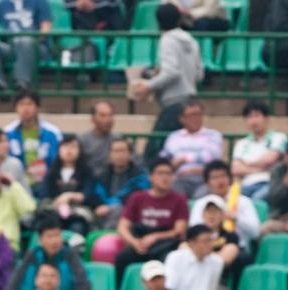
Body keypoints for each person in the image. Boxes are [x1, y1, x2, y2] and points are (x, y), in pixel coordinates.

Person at [133, 4, 204, 168]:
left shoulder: (167, 40)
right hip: (191, 100)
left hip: (173, 104)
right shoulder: (191, 40)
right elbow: (199, 74)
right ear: (179, 19)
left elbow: (172, 72)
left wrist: (149, 85)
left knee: (153, 153)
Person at [114, 159, 189, 275]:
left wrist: (155, 237)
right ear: (151, 177)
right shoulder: (137, 198)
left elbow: (179, 230)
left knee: (170, 259)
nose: (165, 178)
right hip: (141, 241)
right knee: (122, 258)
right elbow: (122, 227)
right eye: (160, 173)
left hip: (165, 244)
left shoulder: (179, 199)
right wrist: (135, 242)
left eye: (169, 174)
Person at [0, 0, 52, 91]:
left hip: (36, 48)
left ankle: (21, 82)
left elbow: (46, 27)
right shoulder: (1, 4)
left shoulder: (40, 2)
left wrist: (35, 40)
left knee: (25, 40)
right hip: (12, 47)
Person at [8, 216, 89, 290]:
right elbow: (16, 281)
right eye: (49, 236)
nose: (54, 241)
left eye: (57, 235)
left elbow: (82, 282)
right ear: (40, 240)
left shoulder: (70, 255)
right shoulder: (32, 255)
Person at [160, 101, 224, 198]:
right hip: (179, 178)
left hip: (205, 178)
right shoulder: (174, 137)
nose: (195, 119)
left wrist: (184, 159)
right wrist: (173, 165)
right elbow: (164, 160)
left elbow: (212, 156)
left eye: (198, 114)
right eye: (191, 115)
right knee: (173, 195)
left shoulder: (213, 135)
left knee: (201, 196)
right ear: (182, 119)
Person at [38, 135, 100, 235]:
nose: (69, 150)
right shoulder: (52, 173)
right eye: (65, 146)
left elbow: (87, 194)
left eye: (73, 146)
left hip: (78, 215)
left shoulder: (86, 172)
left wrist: (69, 196)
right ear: (59, 150)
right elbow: (44, 195)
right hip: (54, 214)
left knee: (77, 228)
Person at [190, 160, 261, 247]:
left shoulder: (244, 202)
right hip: (206, 249)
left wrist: (236, 218)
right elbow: (193, 232)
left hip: (237, 247)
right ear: (207, 182)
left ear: (230, 178)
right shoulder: (201, 203)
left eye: (223, 176)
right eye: (215, 177)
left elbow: (255, 232)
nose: (220, 181)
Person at [4, 90, 63, 187]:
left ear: (37, 107)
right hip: (16, 184)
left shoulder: (53, 133)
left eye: (29, 104)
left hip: (47, 183)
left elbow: (57, 160)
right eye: (21, 104)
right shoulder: (7, 133)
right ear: (16, 108)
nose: (25, 108)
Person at [231, 100, 287, 201]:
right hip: (246, 184)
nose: (253, 121)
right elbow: (236, 169)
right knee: (232, 199)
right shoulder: (241, 144)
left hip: (269, 182)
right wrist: (261, 168)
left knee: (257, 199)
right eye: (249, 117)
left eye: (257, 116)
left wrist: (246, 163)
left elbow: (269, 160)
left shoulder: (279, 138)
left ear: (266, 118)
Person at [164, 224, 225, 290]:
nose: (211, 245)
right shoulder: (175, 258)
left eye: (211, 240)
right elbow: (170, 288)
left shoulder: (217, 262)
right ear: (191, 243)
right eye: (206, 241)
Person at [94, 138, 150, 229]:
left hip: (131, 214)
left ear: (130, 154)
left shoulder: (140, 175)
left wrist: (110, 207)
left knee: (117, 210)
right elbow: (97, 196)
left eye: (122, 151)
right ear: (110, 155)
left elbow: (136, 196)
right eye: (115, 151)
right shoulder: (101, 175)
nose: (119, 155)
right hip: (103, 212)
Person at [190, 195, 244, 278]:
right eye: (208, 211)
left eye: (215, 211)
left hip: (218, 279)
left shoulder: (231, 236)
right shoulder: (193, 233)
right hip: (192, 275)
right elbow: (184, 251)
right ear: (203, 214)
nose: (211, 215)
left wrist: (199, 255)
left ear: (223, 215)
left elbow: (223, 261)